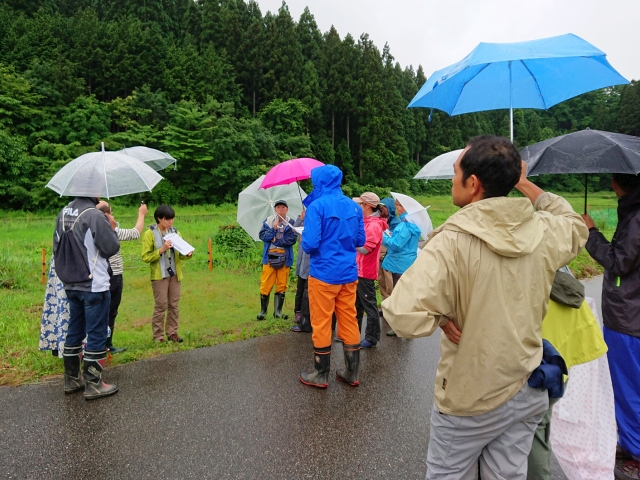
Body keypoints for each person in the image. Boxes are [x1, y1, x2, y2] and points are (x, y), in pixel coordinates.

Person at [382, 135, 588, 479]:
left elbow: (402, 315)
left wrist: (444, 316)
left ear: (473, 184)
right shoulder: (544, 230)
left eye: (455, 172)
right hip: (526, 385)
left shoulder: (450, 242)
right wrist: (522, 182)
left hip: (468, 396)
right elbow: (573, 224)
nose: (452, 180)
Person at [582, 173, 640, 480]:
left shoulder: (635, 219)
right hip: (632, 314)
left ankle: (636, 456)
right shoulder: (631, 212)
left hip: (628, 317)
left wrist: (591, 233)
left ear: (620, 183)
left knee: (627, 387)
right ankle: (630, 442)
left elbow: (619, 263)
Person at [300, 165, 365, 388]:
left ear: (319, 182)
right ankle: (351, 372)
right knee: (349, 320)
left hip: (323, 275)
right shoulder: (355, 207)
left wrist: (304, 236)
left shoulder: (316, 206)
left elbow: (310, 244)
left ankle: (321, 373)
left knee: (322, 322)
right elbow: (359, 241)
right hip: (348, 274)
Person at [54, 196, 121, 400]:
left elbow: (56, 246)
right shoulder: (94, 215)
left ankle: (72, 378)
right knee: (97, 332)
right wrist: (110, 227)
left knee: (74, 328)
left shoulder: (63, 213)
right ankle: (94, 383)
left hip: (71, 281)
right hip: (93, 283)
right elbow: (111, 248)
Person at [97, 201, 148, 354]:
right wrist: (141, 214)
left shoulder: (93, 230)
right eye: (110, 213)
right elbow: (136, 232)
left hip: (101, 276)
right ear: (105, 215)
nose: (113, 216)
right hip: (113, 275)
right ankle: (106, 344)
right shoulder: (111, 231)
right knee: (110, 310)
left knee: (105, 311)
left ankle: (104, 344)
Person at [141, 205, 193, 343]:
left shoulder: (175, 232)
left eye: (172, 219)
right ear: (159, 218)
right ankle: (158, 336)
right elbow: (146, 257)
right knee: (161, 305)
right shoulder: (150, 233)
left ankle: (172, 333)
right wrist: (161, 250)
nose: (170, 222)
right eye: (167, 219)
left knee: (174, 305)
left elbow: (181, 255)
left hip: (175, 275)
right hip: (159, 276)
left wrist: (187, 254)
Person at [381, 198, 422, 336]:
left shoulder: (405, 224)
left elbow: (396, 245)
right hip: (405, 262)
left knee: (400, 295)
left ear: (402, 207)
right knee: (404, 294)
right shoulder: (411, 222)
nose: (396, 208)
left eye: (397, 205)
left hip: (400, 263)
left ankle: (401, 327)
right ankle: (404, 326)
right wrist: (392, 235)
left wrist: (383, 236)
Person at [352, 192, 386, 348]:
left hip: (366, 271)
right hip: (358, 270)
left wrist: (348, 244)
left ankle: (372, 338)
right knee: (356, 305)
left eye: (360, 204)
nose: (358, 206)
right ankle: (353, 334)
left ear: (366, 206)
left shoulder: (374, 225)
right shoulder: (365, 221)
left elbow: (366, 249)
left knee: (369, 305)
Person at [257, 200, 297, 320]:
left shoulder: (291, 223)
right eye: (278, 207)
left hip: (285, 257)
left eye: (283, 207)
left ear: (287, 209)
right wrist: (273, 229)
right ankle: (263, 311)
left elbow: (291, 239)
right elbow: (263, 236)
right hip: (269, 256)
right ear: (275, 209)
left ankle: (278, 312)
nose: (281, 209)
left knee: (282, 283)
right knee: (266, 282)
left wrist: (276, 241)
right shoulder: (269, 221)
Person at [291, 210, 312, 333]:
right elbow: (294, 230)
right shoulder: (304, 221)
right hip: (302, 263)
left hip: (310, 266)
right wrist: (301, 217)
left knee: (307, 292)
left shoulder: (316, 223)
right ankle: (298, 311)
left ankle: (306, 318)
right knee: (300, 289)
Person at [377, 198, 400, 303]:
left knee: (390, 282)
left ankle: (392, 304)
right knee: (381, 281)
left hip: (390, 257)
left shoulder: (396, 224)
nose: (381, 210)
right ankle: (385, 303)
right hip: (379, 257)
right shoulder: (379, 220)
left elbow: (395, 242)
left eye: (384, 207)